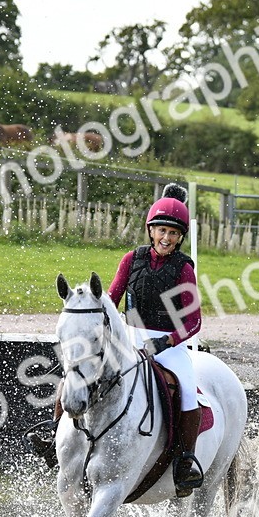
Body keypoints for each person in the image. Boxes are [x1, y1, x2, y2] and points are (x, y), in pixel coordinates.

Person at [27, 183, 205, 497]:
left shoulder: (183, 269)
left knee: (188, 392)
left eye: (174, 234)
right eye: (161, 230)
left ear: (181, 237)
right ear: (151, 231)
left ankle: (185, 460)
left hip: (168, 347)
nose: (167, 238)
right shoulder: (131, 260)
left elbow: (194, 321)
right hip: (127, 339)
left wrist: (165, 343)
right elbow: (109, 301)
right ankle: (54, 434)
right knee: (76, 372)